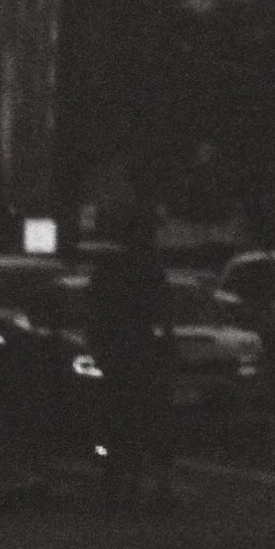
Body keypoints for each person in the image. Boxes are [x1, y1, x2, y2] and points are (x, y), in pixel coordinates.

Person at [83, 211, 175, 509]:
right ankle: (138, 483)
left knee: (122, 420)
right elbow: (163, 312)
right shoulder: (144, 269)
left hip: (124, 354)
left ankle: (121, 483)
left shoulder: (112, 269)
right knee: (143, 420)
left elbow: (95, 314)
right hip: (135, 353)